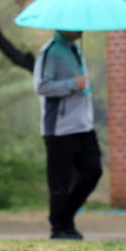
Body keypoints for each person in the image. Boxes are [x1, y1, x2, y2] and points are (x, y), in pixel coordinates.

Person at [33, 30, 102, 240]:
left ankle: (63, 217)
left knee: (93, 171)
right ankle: (60, 228)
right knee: (60, 183)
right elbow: (41, 86)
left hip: (83, 125)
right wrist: (73, 84)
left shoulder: (76, 50)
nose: (80, 29)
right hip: (59, 128)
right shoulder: (50, 52)